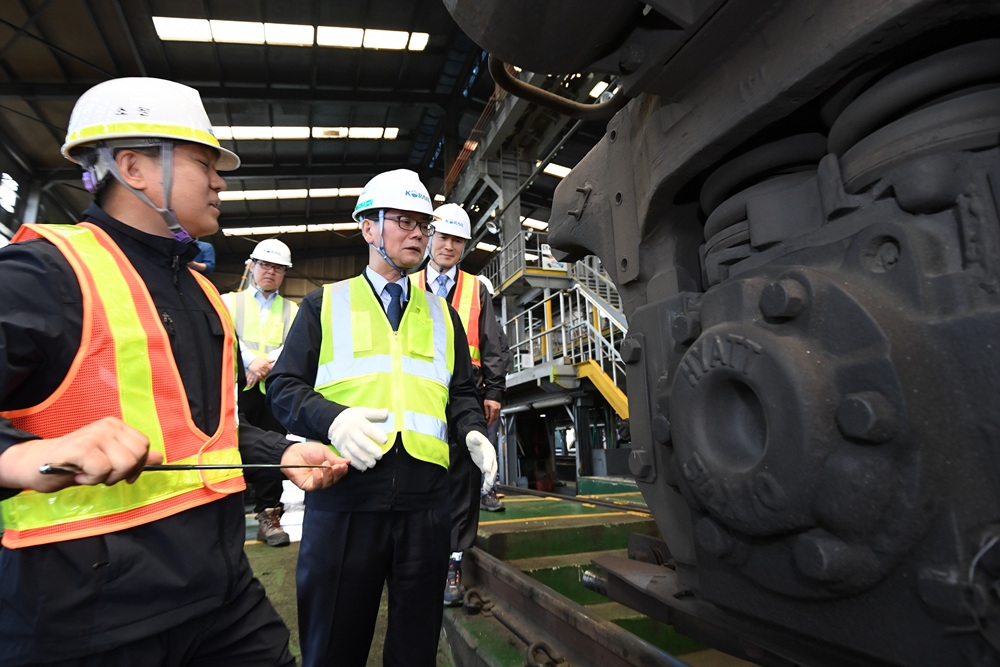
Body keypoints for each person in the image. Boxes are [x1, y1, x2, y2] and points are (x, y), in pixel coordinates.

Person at [0, 77, 349, 666]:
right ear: (134, 167)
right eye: (201, 162)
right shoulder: (43, 274)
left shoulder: (205, 295)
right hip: (83, 613)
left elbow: (202, 436)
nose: (219, 180)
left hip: (217, 593)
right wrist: (22, 456)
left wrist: (282, 452)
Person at [267, 168, 498, 667]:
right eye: (404, 221)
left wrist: (473, 429)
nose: (418, 233)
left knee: (416, 646)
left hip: (426, 502)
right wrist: (332, 421)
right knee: (334, 643)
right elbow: (283, 389)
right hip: (347, 497)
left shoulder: (443, 315)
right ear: (368, 228)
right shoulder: (324, 304)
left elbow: (459, 391)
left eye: (423, 224)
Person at [414, 203, 508, 606]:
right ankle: (417, 557)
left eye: (457, 240)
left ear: (465, 245)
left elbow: (493, 344)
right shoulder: (408, 280)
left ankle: (454, 561)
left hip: (467, 393)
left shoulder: (477, 288)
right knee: (421, 473)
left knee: (465, 480)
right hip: (420, 393)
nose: (449, 246)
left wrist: (494, 393)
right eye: (444, 237)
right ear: (430, 238)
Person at [222, 238, 298, 547]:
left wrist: (263, 365)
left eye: (278, 267)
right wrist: (249, 362)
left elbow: (292, 343)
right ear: (252, 265)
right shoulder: (229, 302)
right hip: (236, 386)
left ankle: (269, 515)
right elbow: (227, 335)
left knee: (272, 450)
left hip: (273, 390)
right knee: (230, 446)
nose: (271, 272)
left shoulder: (293, 310)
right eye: (265, 264)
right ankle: (226, 516)